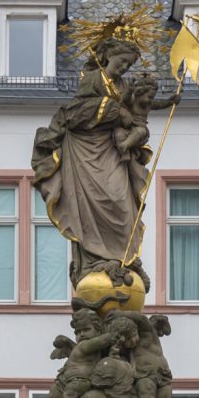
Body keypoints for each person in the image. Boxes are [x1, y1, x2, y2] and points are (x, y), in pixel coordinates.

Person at [32, 37, 151, 287]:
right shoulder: (93, 78)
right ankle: (93, 260)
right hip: (87, 152)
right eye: (121, 63)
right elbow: (76, 112)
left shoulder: (123, 84)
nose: (124, 69)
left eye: (128, 65)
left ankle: (123, 259)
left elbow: (137, 107)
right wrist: (115, 110)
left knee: (122, 201)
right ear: (109, 56)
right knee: (90, 206)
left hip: (114, 152)